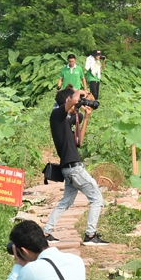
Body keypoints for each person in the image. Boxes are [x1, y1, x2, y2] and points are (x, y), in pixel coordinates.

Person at [43, 87, 107, 246]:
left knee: (66, 202)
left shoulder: (64, 121)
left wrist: (86, 117)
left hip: (69, 169)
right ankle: (90, 235)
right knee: (97, 198)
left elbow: (79, 141)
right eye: (73, 100)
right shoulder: (56, 115)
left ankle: (46, 233)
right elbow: (74, 99)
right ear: (67, 100)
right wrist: (80, 91)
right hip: (74, 168)